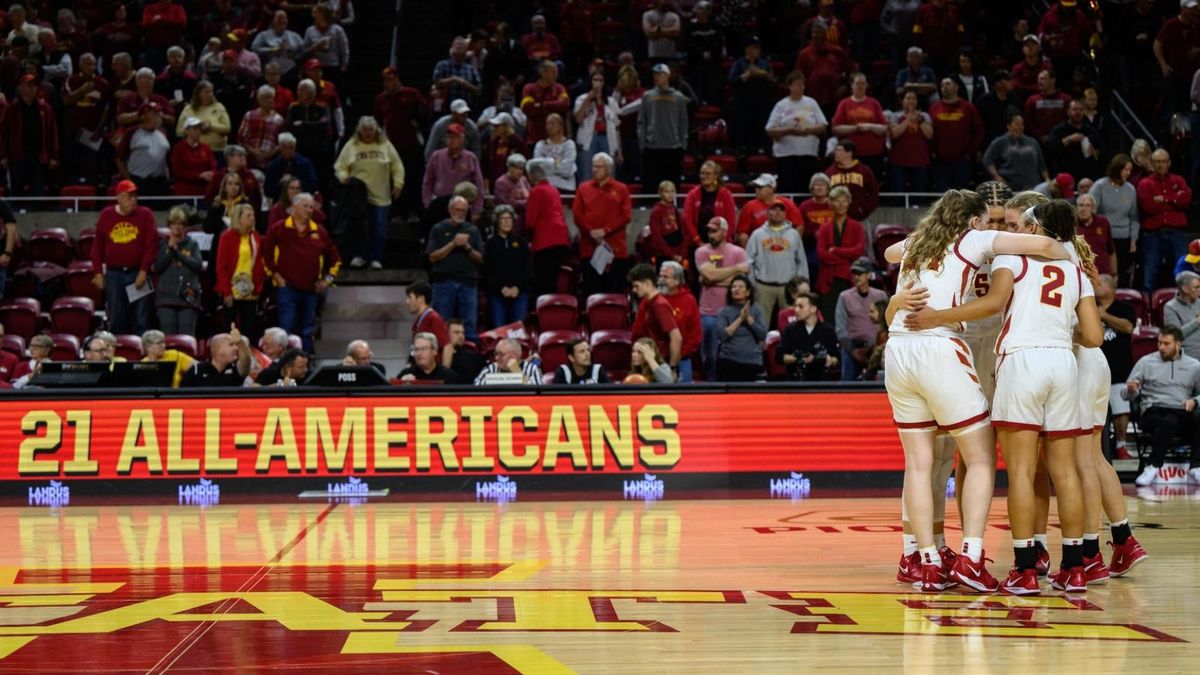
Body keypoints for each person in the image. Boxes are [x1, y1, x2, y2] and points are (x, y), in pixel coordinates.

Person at [903, 199, 1101, 595]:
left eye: (1023, 222)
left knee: (1022, 472)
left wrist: (939, 317)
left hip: (1021, 362)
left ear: (1034, 226)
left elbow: (994, 304)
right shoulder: (1075, 269)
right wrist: (1058, 331)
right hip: (1063, 361)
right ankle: (1076, 567)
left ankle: (1025, 569)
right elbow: (1094, 337)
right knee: (1064, 471)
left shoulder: (1012, 259)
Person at [263, 193, 341, 352]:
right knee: (286, 329)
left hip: (311, 289)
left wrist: (327, 280)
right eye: (305, 206)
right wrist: (275, 276)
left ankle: (304, 362)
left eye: (312, 207)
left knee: (307, 329)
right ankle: (284, 363)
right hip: (287, 287)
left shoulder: (319, 231)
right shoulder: (279, 228)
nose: (309, 210)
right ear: (294, 208)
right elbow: (265, 255)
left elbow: (335, 259)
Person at [1127, 326, 1200, 487]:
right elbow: (1126, 394)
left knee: (1195, 416)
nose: (1161, 347)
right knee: (1168, 421)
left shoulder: (1194, 365)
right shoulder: (1146, 362)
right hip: (1153, 411)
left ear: (1178, 345)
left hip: (1180, 411)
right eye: (1159, 343)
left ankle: (1196, 466)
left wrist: (1195, 401)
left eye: (1166, 344)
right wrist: (1131, 389)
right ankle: (1153, 465)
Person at [335, 116, 404, 270]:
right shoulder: (352, 145)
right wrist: (344, 178)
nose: (368, 133)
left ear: (376, 130)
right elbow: (339, 166)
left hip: (381, 194)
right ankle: (358, 256)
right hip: (358, 196)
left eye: (371, 130)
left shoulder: (385, 144)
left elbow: (397, 166)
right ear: (360, 131)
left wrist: (398, 184)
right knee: (358, 227)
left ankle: (376, 258)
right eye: (365, 130)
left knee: (379, 228)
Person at [90, 180, 157, 334]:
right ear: (119, 197)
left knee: (141, 318)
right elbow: (97, 247)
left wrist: (144, 271)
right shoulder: (107, 215)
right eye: (128, 196)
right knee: (116, 318)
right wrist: (98, 272)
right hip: (114, 274)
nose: (133, 200)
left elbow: (151, 246)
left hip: (137, 273)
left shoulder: (145, 214)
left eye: (135, 196)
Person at [696, 217, 750, 381]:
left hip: (733, 312)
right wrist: (735, 270)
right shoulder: (702, 251)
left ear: (725, 232)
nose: (710, 234)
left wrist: (712, 279)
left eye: (715, 230)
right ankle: (710, 385)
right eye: (709, 230)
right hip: (708, 312)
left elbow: (742, 283)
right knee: (710, 356)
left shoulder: (738, 252)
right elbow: (709, 275)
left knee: (734, 354)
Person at [573, 152, 633, 296]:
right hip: (589, 248)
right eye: (594, 166)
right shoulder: (583, 188)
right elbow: (577, 215)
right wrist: (591, 232)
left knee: (615, 291)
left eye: (599, 167)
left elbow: (626, 216)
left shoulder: (621, 189)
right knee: (591, 292)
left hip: (615, 250)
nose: (595, 170)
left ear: (609, 169)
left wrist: (605, 231)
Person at [1137, 149, 1193, 291]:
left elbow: (1186, 201)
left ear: (1169, 163)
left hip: (1177, 232)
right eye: (1157, 162)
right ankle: (1148, 308)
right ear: (1152, 163)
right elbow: (1148, 207)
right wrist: (1175, 199)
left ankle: (1185, 301)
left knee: (1183, 271)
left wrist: (1165, 199)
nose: (1160, 165)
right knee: (1150, 271)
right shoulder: (1145, 183)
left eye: (1163, 161)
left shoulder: (1178, 180)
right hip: (1153, 233)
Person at [746, 201, 809, 324]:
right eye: (774, 209)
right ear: (767, 212)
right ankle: (760, 344)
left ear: (785, 213)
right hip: (763, 286)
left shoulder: (794, 234)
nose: (778, 212)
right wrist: (752, 284)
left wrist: (803, 285)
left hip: (788, 286)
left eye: (781, 210)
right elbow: (748, 261)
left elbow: (801, 261)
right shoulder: (757, 234)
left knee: (792, 324)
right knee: (760, 325)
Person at [766, 71, 828, 195]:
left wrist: (808, 130)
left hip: (807, 153)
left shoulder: (811, 103)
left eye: (802, 84)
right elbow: (770, 129)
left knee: (805, 187)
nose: (801, 87)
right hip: (785, 155)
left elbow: (823, 125)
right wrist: (789, 130)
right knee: (787, 187)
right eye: (797, 84)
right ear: (790, 86)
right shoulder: (781, 105)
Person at [215, 202, 266, 342]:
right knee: (230, 331)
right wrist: (226, 292)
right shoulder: (227, 236)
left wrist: (258, 288)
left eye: (253, 215)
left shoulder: (256, 237)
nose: (252, 218)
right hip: (232, 291)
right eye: (248, 215)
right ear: (239, 218)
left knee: (249, 331)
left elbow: (261, 265)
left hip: (250, 292)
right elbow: (221, 267)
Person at [0, 74, 57, 196]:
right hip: (17, 156)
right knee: (16, 193)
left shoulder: (45, 108)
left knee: (38, 193)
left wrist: (53, 155)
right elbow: (3, 134)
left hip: (38, 156)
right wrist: (3, 155)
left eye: (34, 85)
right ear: (20, 88)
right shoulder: (11, 108)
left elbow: (53, 133)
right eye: (29, 85)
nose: (33, 88)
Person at [816, 186, 867, 320]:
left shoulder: (857, 226)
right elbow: (822, 254)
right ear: (831, 203)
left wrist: (835, 250)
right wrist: (846, 259)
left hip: (849, 279)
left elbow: (858, 252)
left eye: (844, 201)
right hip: (828, 280)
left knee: (850, 318)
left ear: (849, 203)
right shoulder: (824, 228)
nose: (840, 205)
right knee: (829, 318)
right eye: (837, 201)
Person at [834, 257, 888, 381]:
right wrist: (853, 351)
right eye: (854, 273)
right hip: (852, 349)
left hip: (877, 349)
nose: (856, 277)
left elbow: (887, 322)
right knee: (848, 387)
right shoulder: (844, 296)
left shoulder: (880, 295)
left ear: (869, 275)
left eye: (860, 273)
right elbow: (840, 330)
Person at [1090, 154, 1141, 288]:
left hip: (1124, 237)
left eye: (1130, 170)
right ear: (1117, 168)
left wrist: (1133, 239)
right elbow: (1091, 212)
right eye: (1126, 169)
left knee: (1123, 273)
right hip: (1104, 237)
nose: (1129, 173)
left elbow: (1134, 217)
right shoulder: (1100, 186)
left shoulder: (1130, 189)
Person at [638, 63, 689, 192]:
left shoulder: (678, 97)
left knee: (672, 185)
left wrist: (683, 144)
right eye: (655, 74)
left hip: (673, 148)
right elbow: (642, 121)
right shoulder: (647, 96)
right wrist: (642, 143)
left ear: (667, 76)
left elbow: (683, 122)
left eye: (660, 74)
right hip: (652, 148)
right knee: (651, 185)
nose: (656, 77)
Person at [524, 159, 571, 298]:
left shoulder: (536, 191)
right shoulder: (553, 189)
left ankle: (544, 312)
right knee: (553, 279)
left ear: (531, 176)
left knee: (543, 281)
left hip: (545, 241)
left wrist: (527, 235)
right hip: (561, 239)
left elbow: (530, 222)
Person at [422, 123, 484, 227]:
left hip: (462, 205)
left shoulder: (470, 157)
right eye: (449, 137)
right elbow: (427, 182)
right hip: (439, 205)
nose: (452, 140)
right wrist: (428, 203)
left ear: (462, 139)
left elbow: (479, 185)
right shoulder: (436, 155)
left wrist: (477, 210)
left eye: (455, 137)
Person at [153, 207, 203, 336]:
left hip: (188, 299)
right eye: (174, 224)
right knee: (169, 338)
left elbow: (197, 265)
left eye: (181, 224)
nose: (177, 227)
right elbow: (158, 267)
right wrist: (170, 250)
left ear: (185, 226)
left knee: (186, 338)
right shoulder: (162, 245)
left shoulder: (192, 244)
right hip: (166, 299)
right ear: (169, 225)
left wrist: (178, 254)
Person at [929, 77, 984, 191]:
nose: (944, 86)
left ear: (956, 87)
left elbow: (978, 130)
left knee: (962, 195)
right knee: (943, 196)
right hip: (941, 160)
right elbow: (929, 131)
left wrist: (971, 151)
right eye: (942, 84)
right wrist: (933, 151)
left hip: (962, 159)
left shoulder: (968, 107)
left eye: (948, 84)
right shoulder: (934, 108)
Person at [831, 74, 888, 181]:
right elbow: (836, 128)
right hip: (850, 154)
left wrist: (869, 126)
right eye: (857, 83)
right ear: (852, 85)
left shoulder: (874, 103)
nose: (860, 86)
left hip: (873, 153)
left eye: (863, 83)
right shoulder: (844, 103)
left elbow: (883, 128)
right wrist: (856, 128)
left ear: (867, 86)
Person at [629, 263, 682, 374]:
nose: (633, 290)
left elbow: (676, 338)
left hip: (657, 364)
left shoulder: (659, 305)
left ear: (648, 283)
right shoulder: (648, 302)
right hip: (649, 363)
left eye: (636, 286)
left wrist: (671, 369)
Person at [484, 205, 531, 328]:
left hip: (519, 292)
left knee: (518, 330)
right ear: (497, 221)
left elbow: (527, 269)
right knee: (499, 329)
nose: (506, 221)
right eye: (503, 218)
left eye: (509, 218)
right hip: (497, 293)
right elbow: (488, 270)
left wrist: (517, 288)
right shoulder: (490, 244)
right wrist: (501, 288)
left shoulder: (521, 243)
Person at [714, 274, 766, 382]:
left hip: (752, 361)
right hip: (729, 360)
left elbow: (762, 335)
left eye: (741, 286)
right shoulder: (723, 311)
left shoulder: (756, 311)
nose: (736, 289)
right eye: (733, 287)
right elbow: (722, 336)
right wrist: (740, 319)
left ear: (748, 292)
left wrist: (749, 320)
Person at [778, 291, 839, 381]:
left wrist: (825, 358)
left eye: (801, 306)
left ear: (813, 309)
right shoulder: (790, 330)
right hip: (796, 382)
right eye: (796, 306)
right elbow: (779, 357)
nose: (796, 310)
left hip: (821, 383)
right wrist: (797, 358)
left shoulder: (827, 331)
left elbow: (836, 359)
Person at [728, 35, 775, 150]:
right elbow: (732, 81)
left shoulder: (765, 64)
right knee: (744, 133)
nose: (757, 50)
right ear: (747, 49)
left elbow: (774, 82)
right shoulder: (739, 64)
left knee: (761, 133)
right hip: (744, 105)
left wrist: (768, 77)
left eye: (758, 47)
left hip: (762, 104)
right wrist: (747, 74)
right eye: (754, 47)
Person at [573, 70, 621, 183]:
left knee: (609, 176)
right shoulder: (581, 99)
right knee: (587, 175)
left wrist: (619, 151)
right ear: (590, 82)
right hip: (588, 140)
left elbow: (617, 127)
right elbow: (578, 119)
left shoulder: (611, 101)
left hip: (607, 139)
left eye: (601, 80)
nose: (598, 83)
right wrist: (588, 99)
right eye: (595, 80)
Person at [983, 111, 1049, 191]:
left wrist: (1047, 180)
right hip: (1011, 187)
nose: (1021, 127)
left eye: (1022, 125)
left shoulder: (1032, 141)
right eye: (1017, 124)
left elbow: (1041, 164)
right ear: (1008, 126)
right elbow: (987, 160)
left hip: (1033, 186)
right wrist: (996, 176)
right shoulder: (1000, 142)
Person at [658, 260, 701, 383]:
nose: (661, 280)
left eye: (666, 277)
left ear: (677, 281)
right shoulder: (652, 298)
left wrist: (678, 355)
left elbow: (695, 333)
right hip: (656, 359)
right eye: (660, 276)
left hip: (682, 358)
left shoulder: (689, 300)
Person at [735, 173, 803, 248]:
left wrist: (793, 247)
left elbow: (799, 226)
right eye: (756, 187)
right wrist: (750, 252)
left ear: (771, 188)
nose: (756, 190)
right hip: (759, 247)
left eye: (760, 187)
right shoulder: (749, 206)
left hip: (784, 246)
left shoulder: (788, 203)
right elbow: (742, 233)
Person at [683, 160, 737, 248]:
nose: (703, 177)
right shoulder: (692, 194)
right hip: (697, 243)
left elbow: (731, 222)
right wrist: (698, 242)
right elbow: (687, 221)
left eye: (708, 174)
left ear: (715, 176)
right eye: (702, 173)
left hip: (721, 243)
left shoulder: (726, 194)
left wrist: (721, 241)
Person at [887, 91, 933, 192]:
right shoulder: (895, 116)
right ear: (903, 101)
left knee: (919, 195)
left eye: (913, 98)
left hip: (920, 160)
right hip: (899, 161)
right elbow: (894, 134)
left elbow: (929, 135)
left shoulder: (925, 116)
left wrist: (919, 120)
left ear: (917, 101)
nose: (911, 101)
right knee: (899, 195)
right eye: (908, 98)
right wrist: (908, 119)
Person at [824, 140, 879, 225]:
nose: (835, 153)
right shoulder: (830, 172)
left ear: (849, 153)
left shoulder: (864, 171)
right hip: (835, 219)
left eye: (839, 150)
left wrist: (864, 209)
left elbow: (874, 192)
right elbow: (824, 194)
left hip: (859, 219)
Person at [180, 327, 252, 387]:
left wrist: (239, 342)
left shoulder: (235, 369)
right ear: (217, 348)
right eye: (231, 345)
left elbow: (246, 361)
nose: (236, 348)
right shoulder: (196, 370)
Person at [520, 60, 570, 144]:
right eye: (553, 72)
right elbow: (527, 108)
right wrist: (554, 105)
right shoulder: (529, 88)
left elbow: (565, 105)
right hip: (536, 138)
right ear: (543, 73)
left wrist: (543, 105)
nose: (556, 75)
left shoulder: (559, 88)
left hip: (558, 140)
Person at [239, 85, 286, 170]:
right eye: (266, 98)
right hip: (250, 161)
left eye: (271, 97)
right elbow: (241, 138)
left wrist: (267, 155)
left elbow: (281, 144)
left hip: (271, 163)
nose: (270, 100)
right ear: (259, 100)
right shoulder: (249, 115)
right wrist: (254, 152)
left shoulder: (279, 119)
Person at [176, 80, 230, 153]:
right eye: (206, 92)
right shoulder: (189, 109)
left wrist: (210, 126)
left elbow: (227, 128)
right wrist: (195, 129)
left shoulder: (219, 106)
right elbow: (179, 131)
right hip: (196, 150)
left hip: (218, 149)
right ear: (198, 94)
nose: (210, 94)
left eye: (211, 92)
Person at [406, 281, 452, 366]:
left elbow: (447, 347)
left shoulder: (434, 318)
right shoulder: (417, 322)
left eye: (410, 298)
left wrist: (444, 374)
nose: (407, 302)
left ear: (421, 299)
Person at [647, 181, 691, 265]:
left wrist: (682, 253)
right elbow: (657, 238)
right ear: (660, 193)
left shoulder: (674, 210)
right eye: (666, 191)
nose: (670, 194)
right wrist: (672, 255)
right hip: (664, 254)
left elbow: (684, 232)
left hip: (679, 253)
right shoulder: (657, 211)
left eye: (672, 191)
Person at [431, 36, 481, 108]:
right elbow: (436, 83)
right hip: (445, 106)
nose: (458, 46)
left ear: (466, 49)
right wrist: (453, 79)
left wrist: (465, 84)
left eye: (461, 44)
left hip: (465, 107)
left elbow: (478, 90)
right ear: (451, 48)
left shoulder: (471, 68)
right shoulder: (442, 64)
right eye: (456, 44)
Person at [532, 112, 576, 192]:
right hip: (545, 187)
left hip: (566, 186)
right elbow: (538, 168)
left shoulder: (569, 144)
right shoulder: (540, 145)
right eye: (548, 124)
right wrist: (556, 163)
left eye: (553, 123)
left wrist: (547, 165)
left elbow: (566, 169)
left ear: (560, 125)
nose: (550, 126)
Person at [1075, 194, 1116, 277]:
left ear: (1093, 208)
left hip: (1103, 274)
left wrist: (1115, 274)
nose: (1084, 209)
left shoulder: (1103, 222)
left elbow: (1111, 251)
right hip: (1082, 275)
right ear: (1076, 208)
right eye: (1081, 205)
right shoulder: (1071, 226)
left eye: (1088, 206)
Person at [473, 337, 543, 385]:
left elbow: (537, 393)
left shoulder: (531, 369)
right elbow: (476, 389)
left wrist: (517, 373)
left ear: (513, 356)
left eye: (500, 354)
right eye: (495, 353)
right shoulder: (490, 369)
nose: (496, 358)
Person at [1164, 271, 1200, 357]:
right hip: (1188, 356)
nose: (1199, 290)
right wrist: (1197, 321)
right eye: (1196, 287)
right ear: (1185, 289)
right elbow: (1174, 335)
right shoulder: (1170, 307)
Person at [445, 319, 486, 384]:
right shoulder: (438, 357)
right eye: (456, 332)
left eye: (463, 333)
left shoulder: (472, 357)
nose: (461, 336)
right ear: (446, 334)